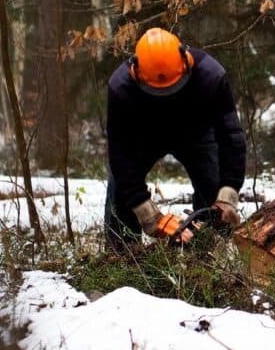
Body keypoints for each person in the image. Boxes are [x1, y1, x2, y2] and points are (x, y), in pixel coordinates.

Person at [105, 27, 246, 250]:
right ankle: (122, 254)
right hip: (143, 137)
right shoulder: (121, 87)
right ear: (135, 73)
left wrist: (229, 190)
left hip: (196, 133)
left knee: (214, 187)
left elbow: (231, 137)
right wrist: (144, 210)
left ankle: (208, 249)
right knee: (120, 193)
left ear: (187, 62)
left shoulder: (211, 76)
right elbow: (120, 154)